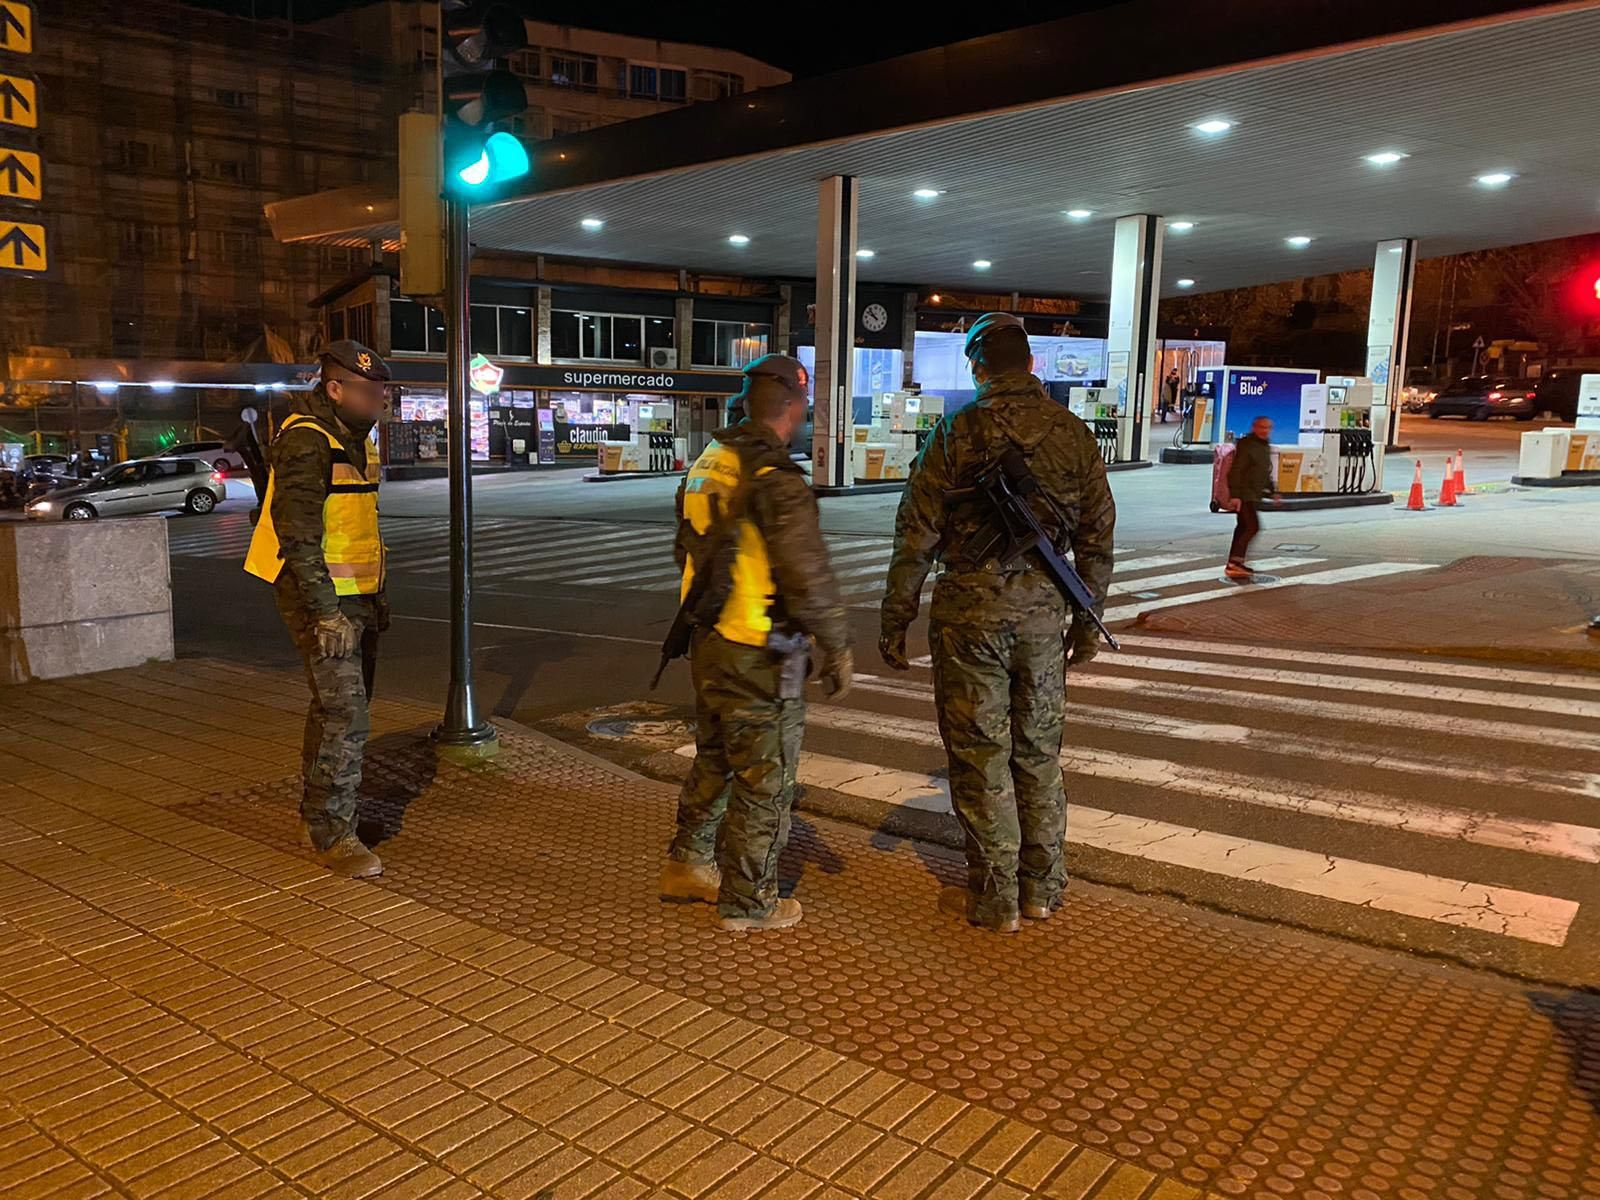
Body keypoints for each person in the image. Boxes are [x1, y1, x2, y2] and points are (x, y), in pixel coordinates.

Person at [879, 313, 1116, 933]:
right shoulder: (1074, 434)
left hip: (969, 620)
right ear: (1033, 364)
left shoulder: (957, 430)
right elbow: (1097, 537)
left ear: (977, 366)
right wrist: (1089, 619)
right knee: (1038, 753)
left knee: (981, 756)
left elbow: (917, 532)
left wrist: (897, 613)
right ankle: (1042, 889)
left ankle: (995, 897)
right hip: (1044, 618)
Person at [659, 354, 853, 932]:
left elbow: (685, 548)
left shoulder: (709, 462)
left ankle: (688, 863)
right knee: (766, 781)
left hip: (709, 641)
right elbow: (806, 573)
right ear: (795, 405)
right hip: (757, 650)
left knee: (717, 758)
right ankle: (749, 901)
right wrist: (837, 646)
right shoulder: (775, 477)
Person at [244, 340, 392, 878]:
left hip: (358, 593)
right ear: (335, 389)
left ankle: (316, 815)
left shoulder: (355, 436)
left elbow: (359, 525)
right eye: (370, 391)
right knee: (347, 714)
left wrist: (376, 597)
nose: (380, 400)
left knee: (336, 710)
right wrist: (326, 612)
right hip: (320, 595)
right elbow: (298, 536)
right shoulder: (308, 440)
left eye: (382, 391)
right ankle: (334, 833)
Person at [1226, 416, 1274, 579]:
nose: (1265, 430)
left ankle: (1234, 563)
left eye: (1268, 428)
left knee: (1243, 527)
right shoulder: (1247, 445)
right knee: (1252, 527)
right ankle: (1235, 563)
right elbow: (1236, 471)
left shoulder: (1264, 446)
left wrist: (1272, 491)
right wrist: (1235, 495)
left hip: (1253, 494)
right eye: (1262, 427)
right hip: (1244, 494)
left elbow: (1264, 471)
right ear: (1254, 427)